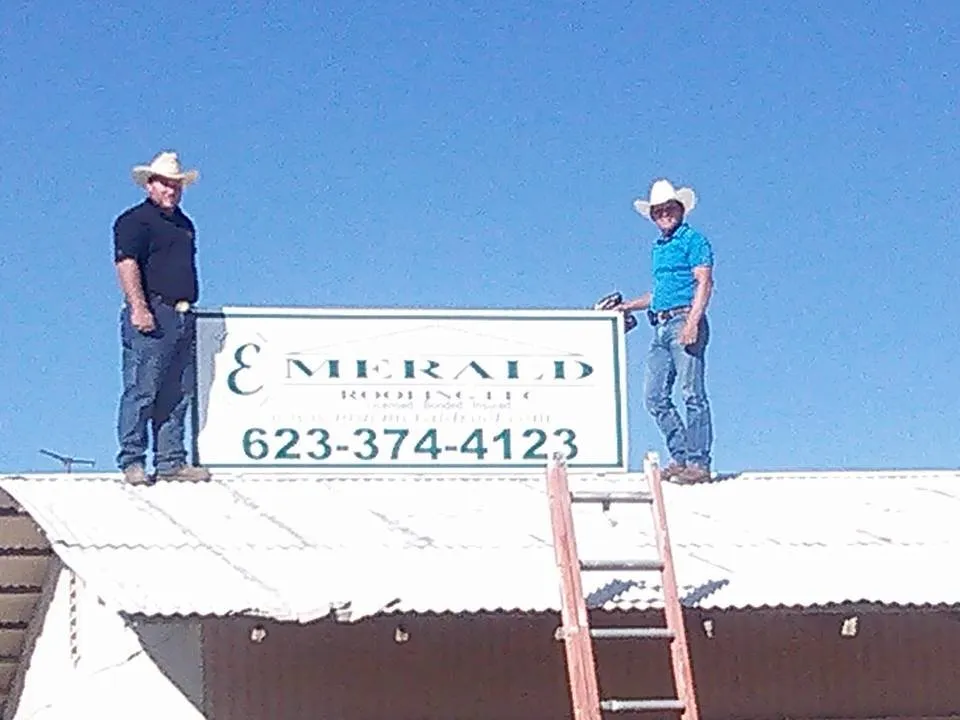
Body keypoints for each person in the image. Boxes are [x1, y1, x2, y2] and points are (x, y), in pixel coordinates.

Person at [112, 151, 211, 485]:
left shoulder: (184, 224)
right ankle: (133, 460)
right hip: (153, 311)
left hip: (183, 313)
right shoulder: (134, 221)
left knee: (177, 391)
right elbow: (127, 264)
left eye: (176, 185)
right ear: (150, 185)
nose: (171, 190)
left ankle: (170, 460)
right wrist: (139, 307)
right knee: (143, 388)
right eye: (165, 184)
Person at [614, 178, 715, 484]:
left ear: (680, 209)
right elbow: (658, 294)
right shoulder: (660, 248)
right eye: (658, 212)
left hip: (683, 319)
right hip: (660, 323)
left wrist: (693, 321)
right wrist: (627, 306)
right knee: (654, 396)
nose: (664, 215)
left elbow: (704, 281)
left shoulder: (693, 240)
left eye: (668, 209)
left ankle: (698, 463)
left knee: (691, 392)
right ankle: (681, 455)